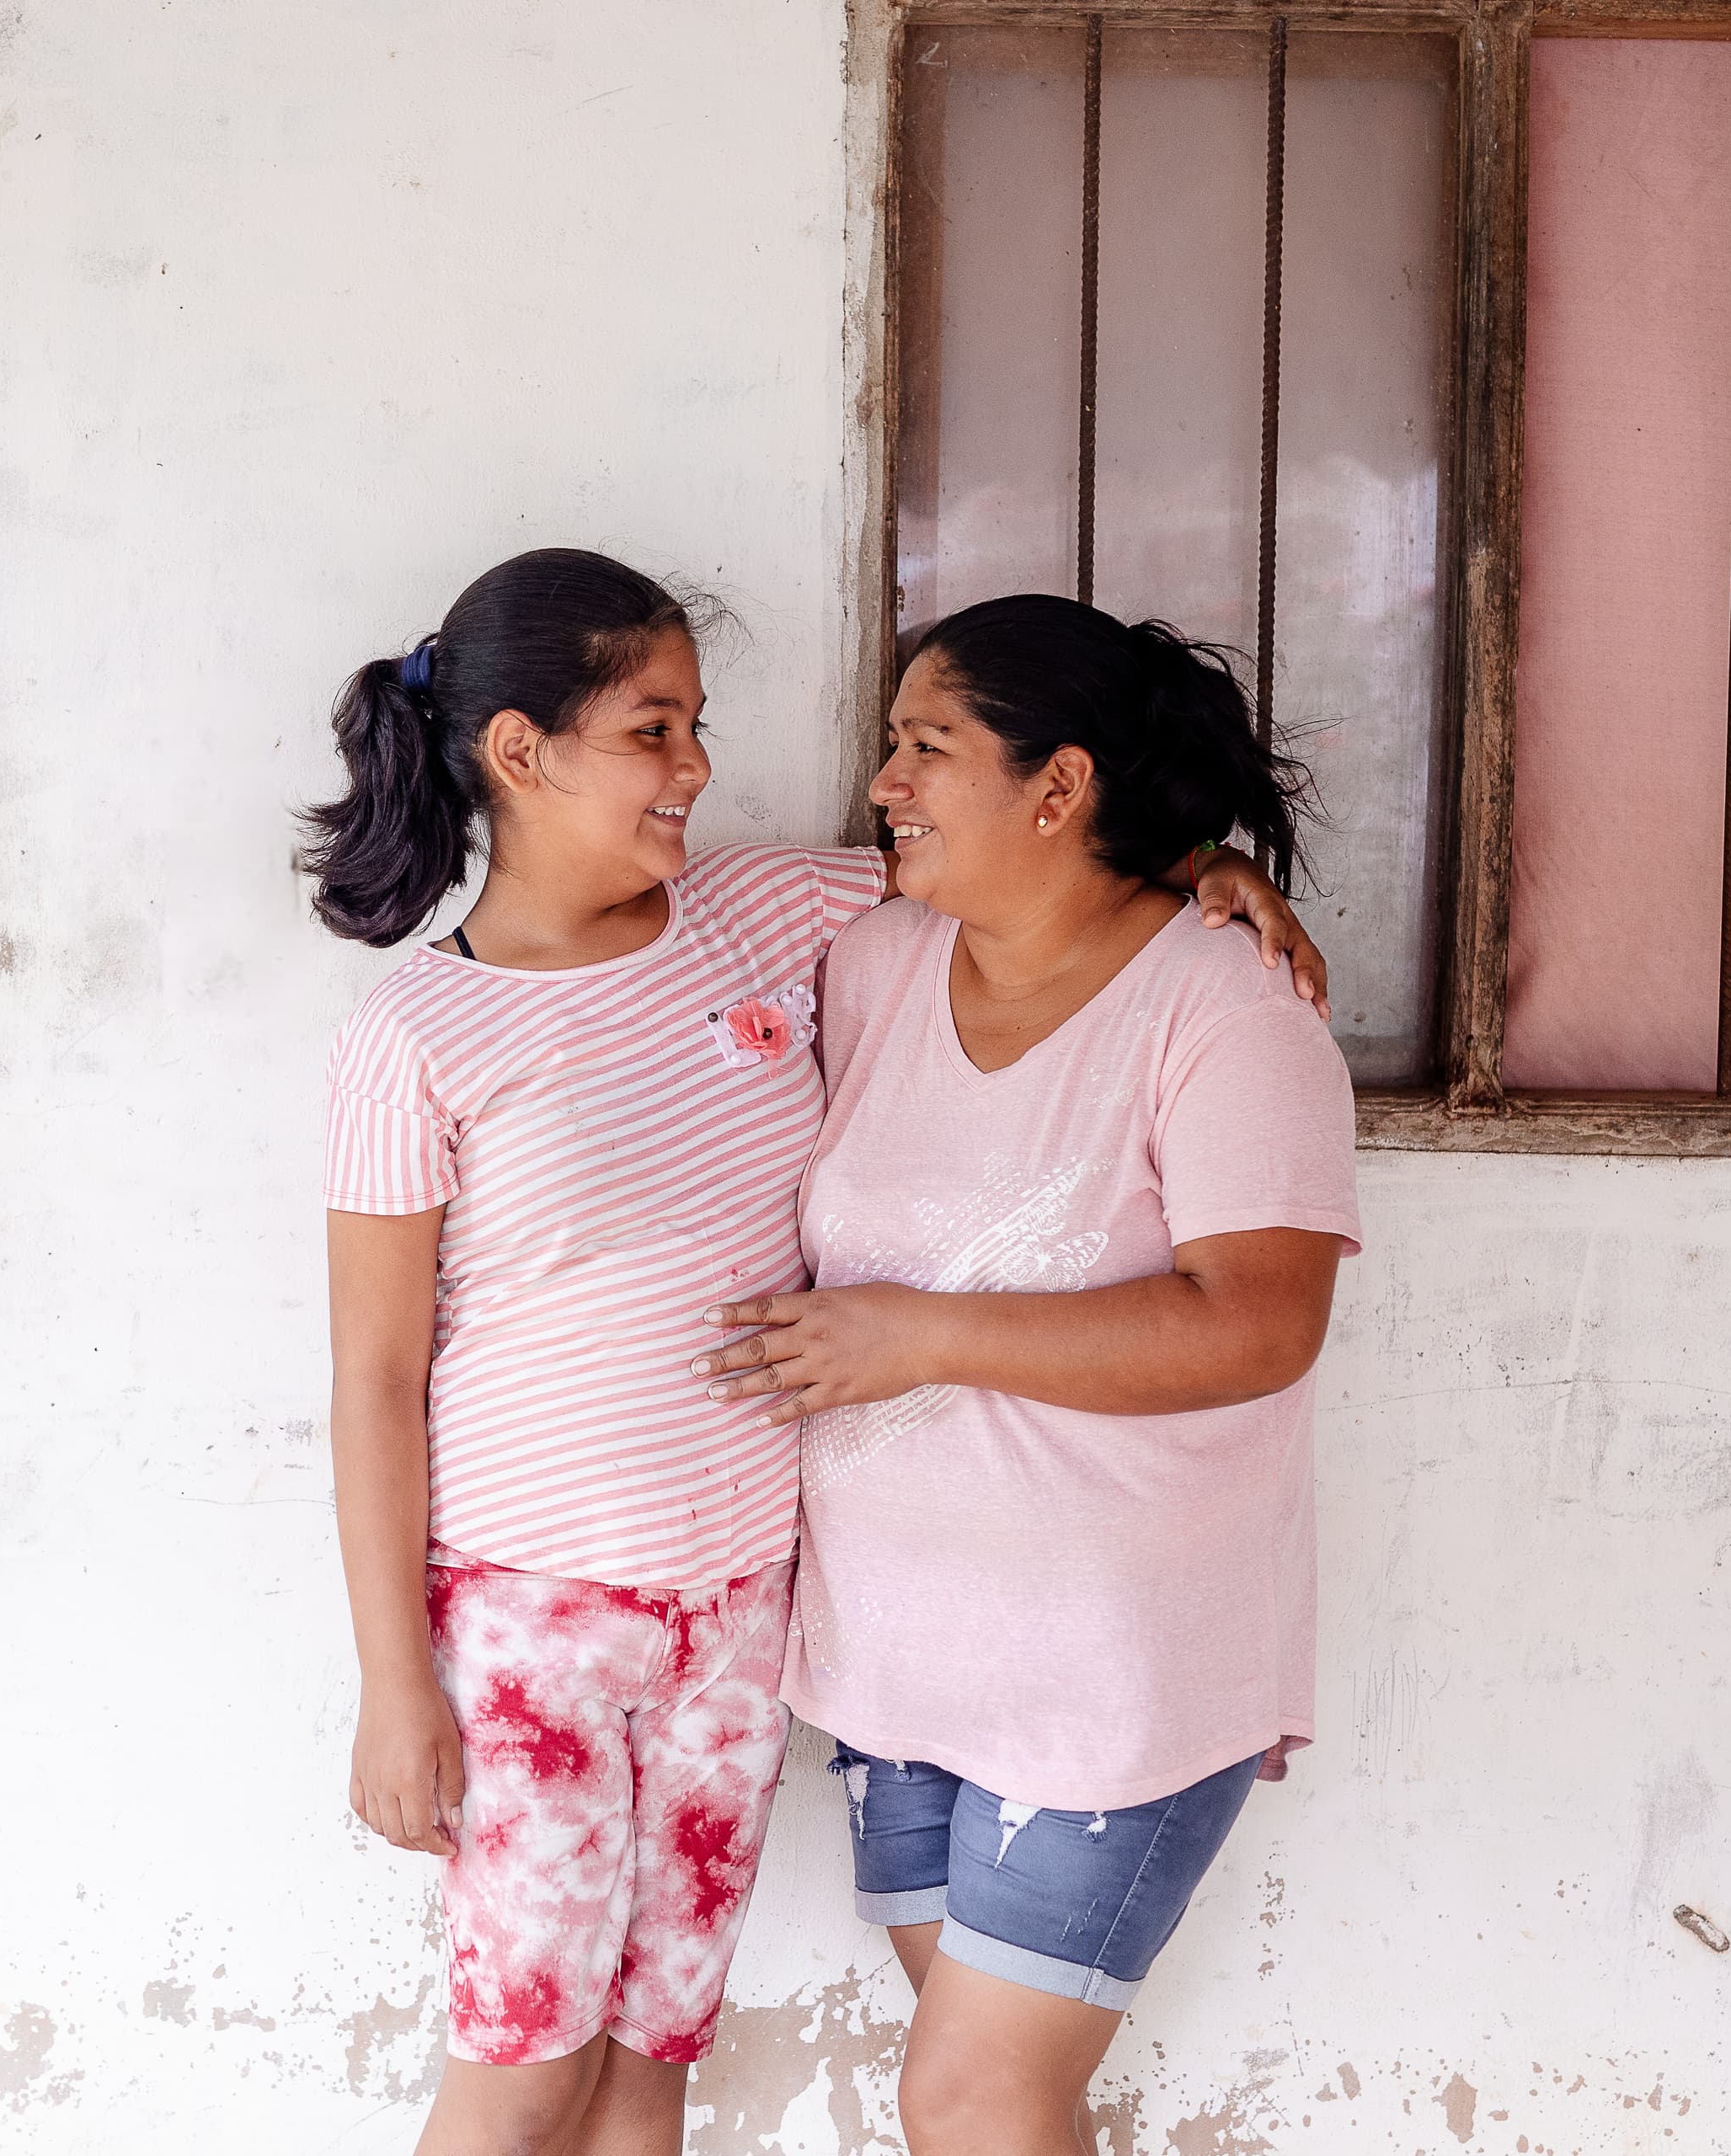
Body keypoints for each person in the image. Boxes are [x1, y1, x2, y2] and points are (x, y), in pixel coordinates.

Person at [302, 552, 1326, 2154]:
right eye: (655, 730)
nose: (698, 766)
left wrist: (1203, 862)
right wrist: (390, 1683)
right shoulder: (415, 1039)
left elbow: (1044, 868)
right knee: (520, 2074)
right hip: (529, 1630)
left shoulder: (769, 913)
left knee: (650, 2070)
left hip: (738, 1623)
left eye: (696, 725)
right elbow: (373, 1379)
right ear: (521, 752)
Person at [691, 595, 1360, 2156]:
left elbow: (1258, 1323)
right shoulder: (872, 962)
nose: (882, 782)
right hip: (897, 1663)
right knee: (999, 2098)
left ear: (1057, 788)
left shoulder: (1226, 1009)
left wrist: (916, 1334)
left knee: (974, 2096)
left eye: (928, 746)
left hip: (1113, 1677)